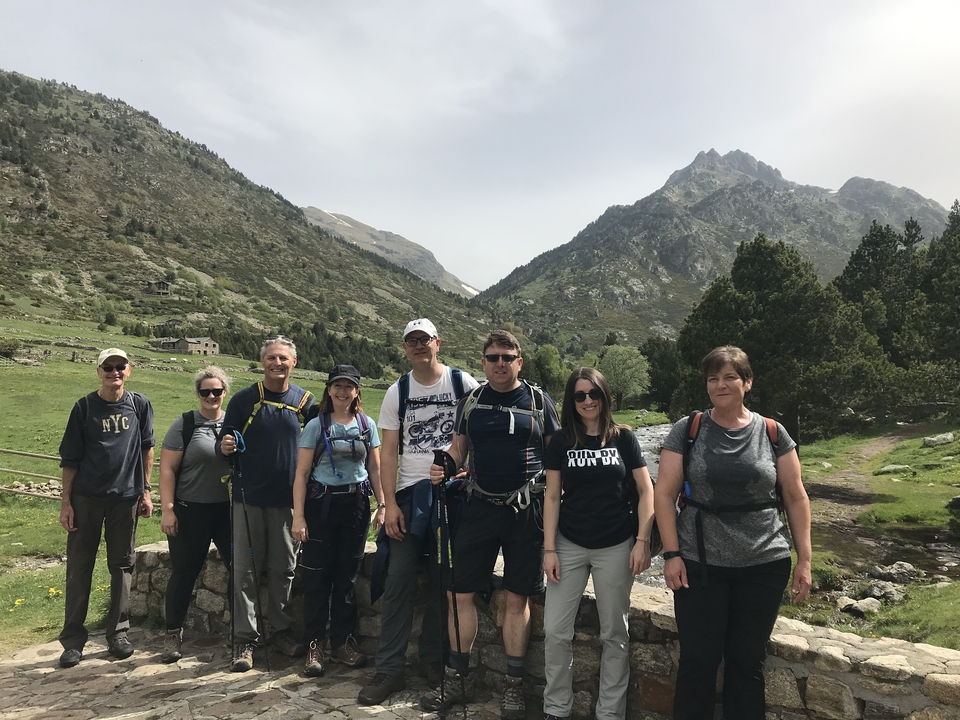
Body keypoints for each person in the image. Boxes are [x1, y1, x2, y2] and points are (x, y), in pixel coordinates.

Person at [654, 346, 812, 720]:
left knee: (747, 662)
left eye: (729, 377)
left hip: (764, 563)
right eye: (713, 378)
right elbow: (664, 494)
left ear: (747, 382)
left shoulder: (773, 432)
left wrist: (804, 559)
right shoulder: (687, 429)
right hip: (698, 562)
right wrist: (672, 554)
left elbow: (795, 495)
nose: (720, 385)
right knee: (698, 662)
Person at [422, 330, 560, 720]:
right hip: (479, 508)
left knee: (518, 599)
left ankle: (512, 687)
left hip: (526, 512)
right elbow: (459, 446)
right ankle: (458, 679)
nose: (500, 363)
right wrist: (446, 463)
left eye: (507, 356)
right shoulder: (471, 401)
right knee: (459, 594)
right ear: (483, 362)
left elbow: (555, 455)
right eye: (493, 356)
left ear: (519, 361)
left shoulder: (539, 401)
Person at [357, 318, 479, 706]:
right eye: (411, 341)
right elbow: (389, 451)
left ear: (437, 343)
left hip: (454, 497)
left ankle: (433, 661)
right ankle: (389, 670)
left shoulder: (464, 384)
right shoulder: (399, 390)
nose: (419, 346)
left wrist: (469, 471)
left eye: (424, 340)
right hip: (410, 497)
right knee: (398, 582)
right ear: (405, 347)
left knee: (448, 586)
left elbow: (482, 436)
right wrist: (389, 504)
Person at [542, 367, 655, 720]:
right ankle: (556, 709)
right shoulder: (562, 440)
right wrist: (548, 549)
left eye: (594, 394)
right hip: (569, 544)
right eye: (579, 395)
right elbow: (552, 496)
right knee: (555, 631)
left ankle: (610, 713)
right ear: (571, 401)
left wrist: (642, 541)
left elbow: (646, 489)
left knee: (614, 633)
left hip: (616, 545)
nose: (588, 401)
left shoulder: (623, 438)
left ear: (605, 397)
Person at [218, 335, 316, 672]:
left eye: (283, 359)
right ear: (263, 362)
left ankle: (281, 632)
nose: (277, 364)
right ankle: (244, 641)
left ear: (294, 363)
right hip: (247, 499)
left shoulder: (306, 402)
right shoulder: (245, 400)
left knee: (283, 570)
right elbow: (224, 440)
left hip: (290, 502)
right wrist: (226, 444)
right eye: (272, 358)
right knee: (245, 572)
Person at [57, 348, 155, 668]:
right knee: (79, 567)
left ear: (129, 371)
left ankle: (118, 634)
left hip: (125, 499)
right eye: (108, 367)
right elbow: (70, 460)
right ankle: (73, 640)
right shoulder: (84, 407)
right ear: (98, 372)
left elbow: (146, 449)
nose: (115, 372)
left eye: (120, 366)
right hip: (86, 499)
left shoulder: (139, 405)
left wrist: (145, 491)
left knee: (122, 566)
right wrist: (66, 503)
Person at [293, 364, 385, 677]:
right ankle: (314, 644)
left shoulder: (366, 423)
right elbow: (302, 474)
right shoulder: (316, 426)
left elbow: (375, 469)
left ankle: (343, 643)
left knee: (347, 577)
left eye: (349, 387)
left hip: (356, 505)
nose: (342, 392)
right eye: (337, 386)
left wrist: (382, 504)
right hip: (322, 506)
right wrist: (299, 516)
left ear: (357, 391)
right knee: (318, 577)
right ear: (329, 389)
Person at [158, 366, 232, 663]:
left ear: (225, 392)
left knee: (239, 570)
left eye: (217, 391)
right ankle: (172, 634)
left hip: (227, 510)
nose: (211, 396)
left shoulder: (234, 423)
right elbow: (167, 469)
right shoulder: (185, 424)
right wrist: (168, 510)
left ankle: (240, 633)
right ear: (197, 394)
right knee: (184, 573)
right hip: (190, 510)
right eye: (205, 392)